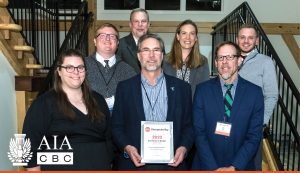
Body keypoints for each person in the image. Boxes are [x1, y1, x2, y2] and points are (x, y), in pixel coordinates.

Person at [112, 33, 194, 170]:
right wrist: (127, 147)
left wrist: (184, 148)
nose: (151, 55)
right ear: (139, 56)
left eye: (156, 50)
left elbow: (190, 126)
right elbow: (116, 126)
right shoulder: (124, 88)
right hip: (135, 165)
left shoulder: (182, 88)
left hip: (172, 165)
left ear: (162, 56)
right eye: (146, 50)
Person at [22, 49, 113, 170]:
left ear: (85, 71)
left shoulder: (98, 100)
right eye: (69, 67)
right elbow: (29, 146)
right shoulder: (43, 104)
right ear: (59, 71)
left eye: (80, 67)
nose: (76, 72)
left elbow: (108, 137)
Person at [192, 41, 264, 171]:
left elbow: (254, 136)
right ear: (215, 63)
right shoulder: (202, 91)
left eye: (230, 57)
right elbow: (199, 133)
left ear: (239, 61)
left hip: (241, 166)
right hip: (206, 166)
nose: (224, 62)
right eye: (220, 57)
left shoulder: (255, 93)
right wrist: (212, 167)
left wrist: (234, 167)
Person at [236, 23, 278, 170]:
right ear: (237, 39)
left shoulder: (265, 62)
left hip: (252, 127)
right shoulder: (229, 59)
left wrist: (261, 123)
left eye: (250, 37)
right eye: (242, 37)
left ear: (257, 41)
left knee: (251, 166)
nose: (246, 41)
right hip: (229, 126)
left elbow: (272, 96)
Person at [85, 23, 136, 112]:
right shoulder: (82, 66)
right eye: (102, 36)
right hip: (89, 119)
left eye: (112, 36)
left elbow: (134, 99)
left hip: (119, 121)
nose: (107, 39)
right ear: (95, 41)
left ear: (117, 43)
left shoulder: (129, 71)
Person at [163, 19, 210, 95]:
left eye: (192, 33)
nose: (188, 37)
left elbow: (205, 90)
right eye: (184, 33)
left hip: (193, 105)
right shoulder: (165, 60)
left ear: (196, 38)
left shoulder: (203, 61)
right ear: (178, 36)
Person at [116, 8, 150, 73]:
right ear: (130, 25)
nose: (140, 24)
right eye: (136, 21)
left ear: (148, 25)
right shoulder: (120, 45)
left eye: (143, 21)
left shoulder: (157, 44)